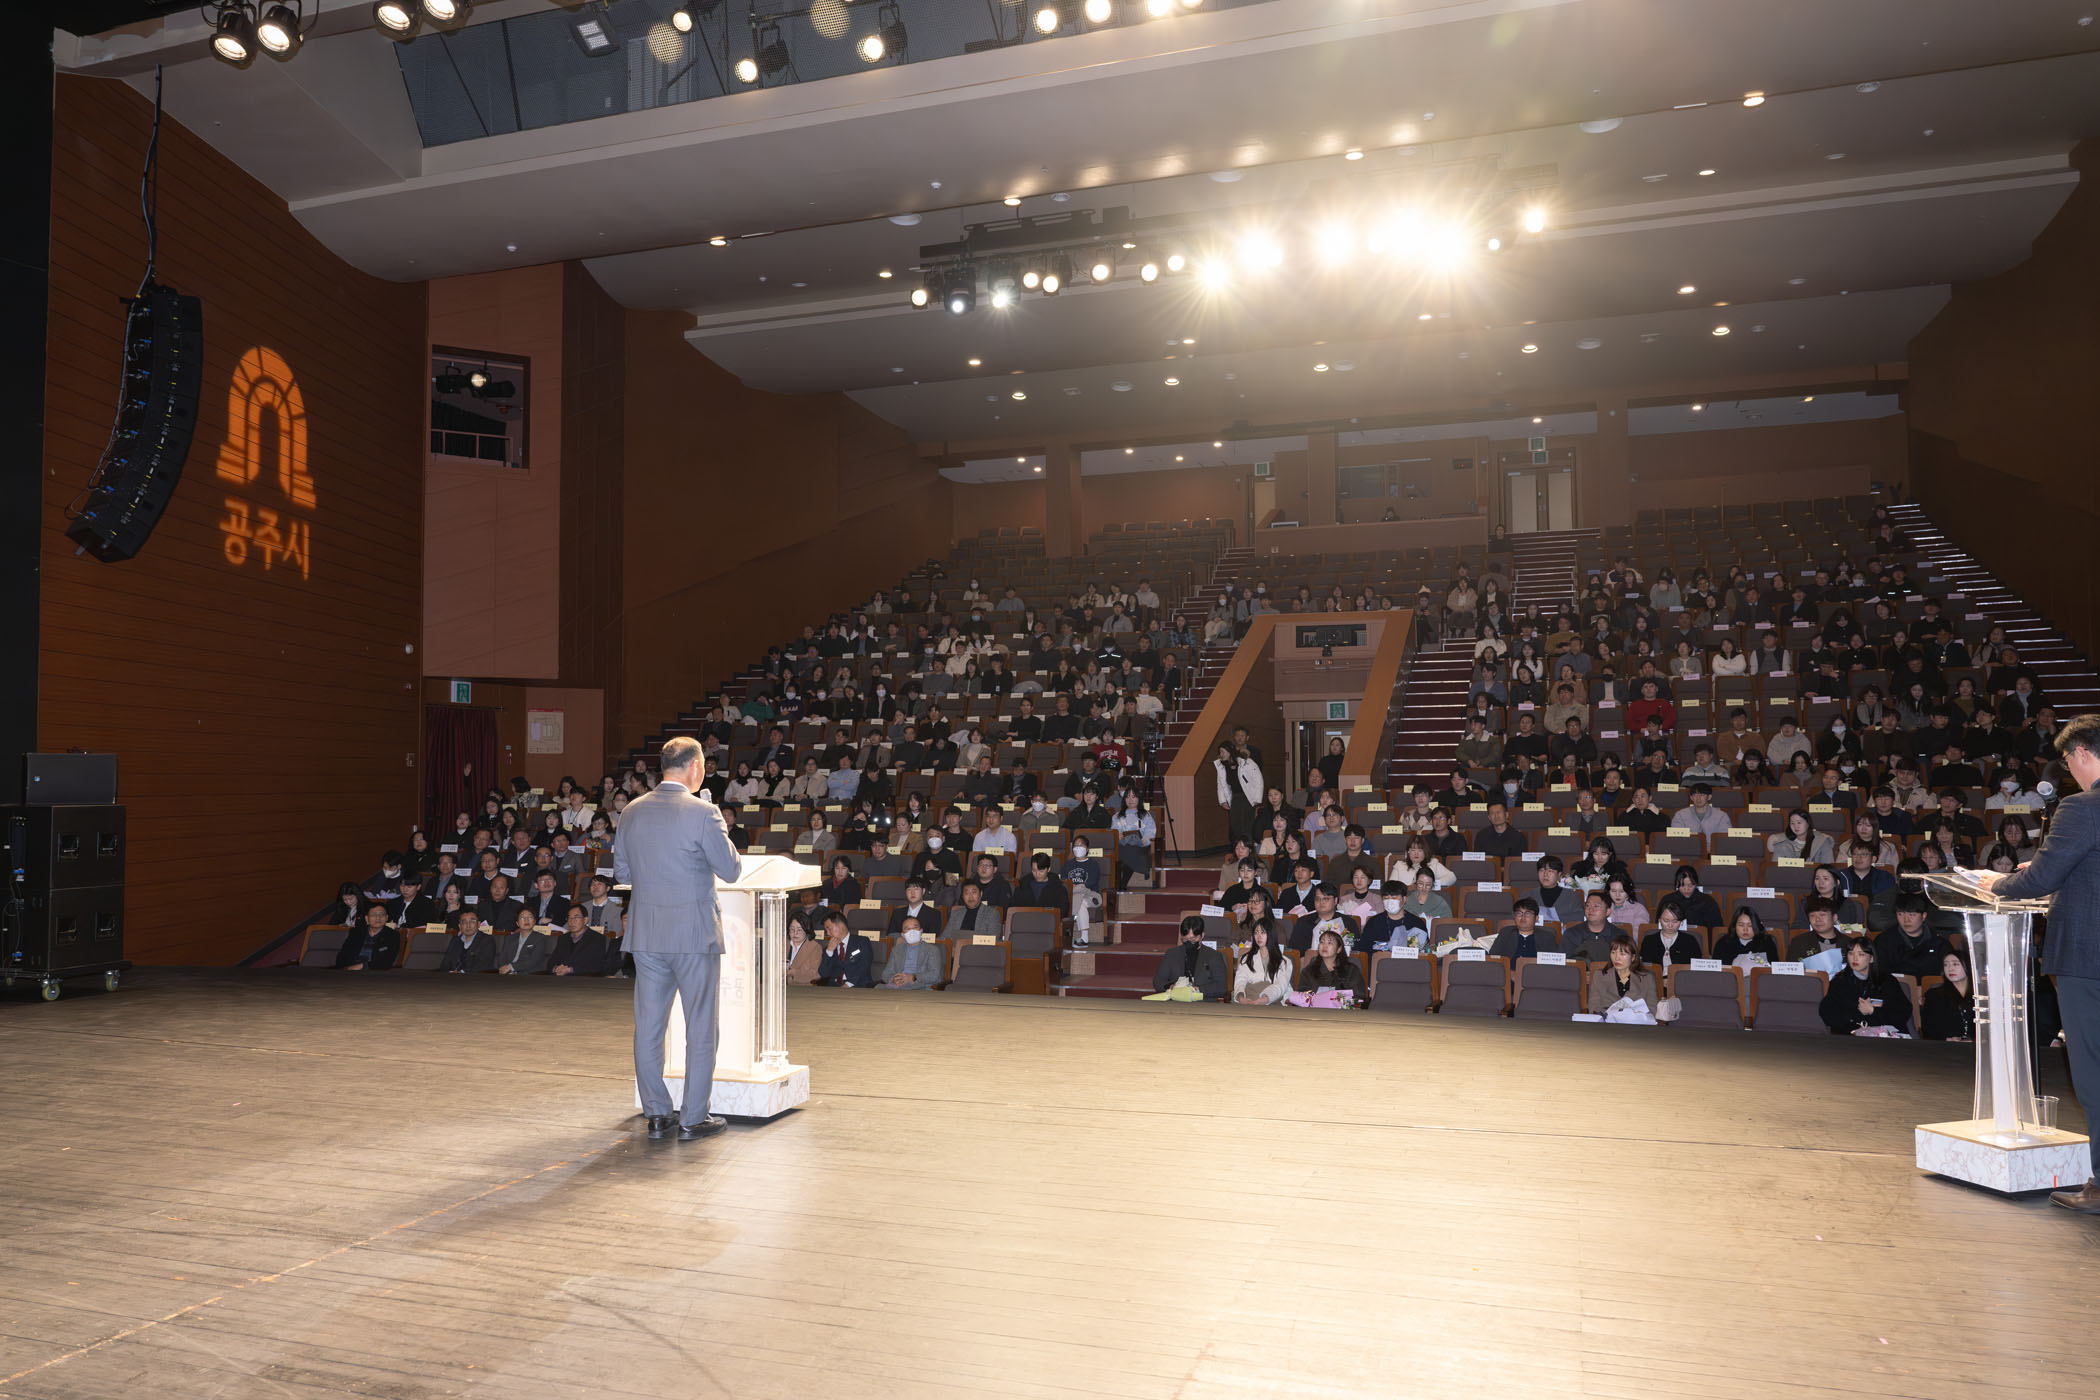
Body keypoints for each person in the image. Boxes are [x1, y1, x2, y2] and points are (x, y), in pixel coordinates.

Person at [613, 735, 744, 1143]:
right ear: (695, 767)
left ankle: (656, 1113)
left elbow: (622, 874)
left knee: (649, 1027)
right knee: (700, 1027)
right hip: (693, 936)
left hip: (647, 935)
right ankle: (693, 1117)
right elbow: (731, 870)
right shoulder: (704, 812)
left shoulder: (631, 811)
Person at [1819, 937, 1914, 1035]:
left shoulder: (1887, 981)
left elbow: (1902, 1013)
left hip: (1884, 1035)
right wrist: (1855, 1017)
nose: (1854, 958)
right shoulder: (1840, 981)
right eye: (1851, 953)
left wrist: (1873, 1011)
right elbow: (1827, 1012)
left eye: (1861, 954)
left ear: (1871, 958)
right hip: (1851, 1035)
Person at [1152, 915, 1229, 1000]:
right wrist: (1171, 986)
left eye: (1193, 939)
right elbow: (1158, 982)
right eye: (1185, 939)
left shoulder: (1214, 956)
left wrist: (1197, 989)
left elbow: (1221, 987)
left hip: (1203, 1002)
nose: (1189, 943)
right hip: (1176, 1001)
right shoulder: (1172, 954)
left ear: (1202, 935)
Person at [1589, 934, 1661, 1019]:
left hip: (1636, 1023)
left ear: (1633, 957)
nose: (1617, 958)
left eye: (1622, 954)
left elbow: (1652, 1009)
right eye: (1613, 953)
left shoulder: (1647, 978)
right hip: (1607, 1023)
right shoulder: (1599, 976)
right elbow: (1593, 1007)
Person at [1294, 929, 1367, 1001]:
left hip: (1344, 1008)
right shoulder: (1309, 971)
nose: (1324, 946)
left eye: (1329, 943)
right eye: (1322, 942)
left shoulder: (1351, 970)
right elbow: (1302, 996)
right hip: (1316, 1008)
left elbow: (1358, 995)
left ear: (1339, 949)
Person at [1921, 946, 1976, 1042]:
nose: (1950, 968)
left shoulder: (1980, 994)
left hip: (1978, 1045)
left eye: (1955, 964)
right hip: (1949, 1045)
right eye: (1946, 965)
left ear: (1968, 966)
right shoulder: (1934, 995)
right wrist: (1947, 1038)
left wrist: (1974, 1039)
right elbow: (1929, 1027)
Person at [1214, 742, 1263, 846]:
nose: (1221, 754)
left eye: (1222, 752)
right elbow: (1221, 784)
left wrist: (1257, 798)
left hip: (1248, 797)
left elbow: (1258, 779)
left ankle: (1248, 848)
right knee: (1235, 825)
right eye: (1220, 752)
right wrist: (1223, 801)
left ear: (1229, 752)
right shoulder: (1222, 766)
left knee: (1246, 825)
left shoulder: (1246, 762)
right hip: (1235, 797)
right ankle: (1240, 847)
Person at [875, 916, 943, 990]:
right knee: (877, 988)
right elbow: (886, 974)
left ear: (921, 931)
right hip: (898, 985)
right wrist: (894, 979)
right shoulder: (896, 950)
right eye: (907, 928)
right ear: (903, 935)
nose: (912, 931)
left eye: (915, 927)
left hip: (920, 987)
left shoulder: (932, 950)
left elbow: (934, 975)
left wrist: (913, 977)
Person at [814, 909, 877, 988]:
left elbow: (864, 967)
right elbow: (823, 973)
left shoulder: (862, 942)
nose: (828, 933)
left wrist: (848, 984)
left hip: (858, 986)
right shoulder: (829, 948)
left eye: (829, 929)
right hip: (834, 988)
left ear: (841, 925)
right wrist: (829, 952)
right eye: (826, 931)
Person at [1233, 922, 1291, 1005]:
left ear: (1271, 935)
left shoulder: (1284, 961)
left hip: (1274, 1002)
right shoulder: (1246, 959)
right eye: (1256, 933)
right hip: (1249, 1000)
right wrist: (1241, 997)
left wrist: (1266, 998)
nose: (1259, 936)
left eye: (1263, 932)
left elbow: (1281, 985)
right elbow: (1240, 981)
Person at [334, 901, 400, 972]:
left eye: (381, 914)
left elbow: (387, 961)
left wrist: (362, 966)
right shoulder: (356, 932)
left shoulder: (393, 935)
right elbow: (343, 955)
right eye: (373, 915)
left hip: (374, 972)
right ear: (366, 918)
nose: (378, 918)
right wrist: (345, 969)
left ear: (386, 918)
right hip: (350, 971)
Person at [497, 906, 558, 975]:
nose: (526, 920)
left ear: (534, 921)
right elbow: (502, 959)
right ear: (517, 923)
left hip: (529, 974)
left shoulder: (540, 938)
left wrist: (511, 968)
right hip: (508, 973)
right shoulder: (510, 938)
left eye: (530, 917)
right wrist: (504, 969)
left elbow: (533, 961)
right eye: (522, 918)